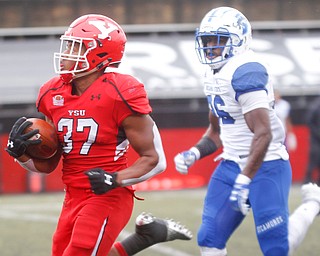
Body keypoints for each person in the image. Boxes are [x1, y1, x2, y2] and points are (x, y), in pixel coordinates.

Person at [5, 14, 192, 256]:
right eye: (67, 45)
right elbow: (49, 164)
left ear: (100, 54)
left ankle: (145, 237)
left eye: (75, 46)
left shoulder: (120, 92)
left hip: (108, 195)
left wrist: (115, 179)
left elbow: (154, 159)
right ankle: (145, 237)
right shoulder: (52, 93)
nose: (66, 53)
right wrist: (21, 154)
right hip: (72, 196)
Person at [174, 6, 320, 256]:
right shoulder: (212, 73)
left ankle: (312, 204)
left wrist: (245, 179)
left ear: (238, 41)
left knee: (276, 249)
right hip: (230, 165)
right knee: (209, 239)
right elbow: (216, 129)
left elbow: (264, 133)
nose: (210, 47)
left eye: (218, 41)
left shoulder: (246, 70)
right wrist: (195, 153)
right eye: (207, 40)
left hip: (267, 166)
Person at [304, 96, 320, 185]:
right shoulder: (316, 105)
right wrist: (317, 133)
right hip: (316, 140)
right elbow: (309, 121)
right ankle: (307, 181)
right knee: (313, 162)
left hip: (316, 139)